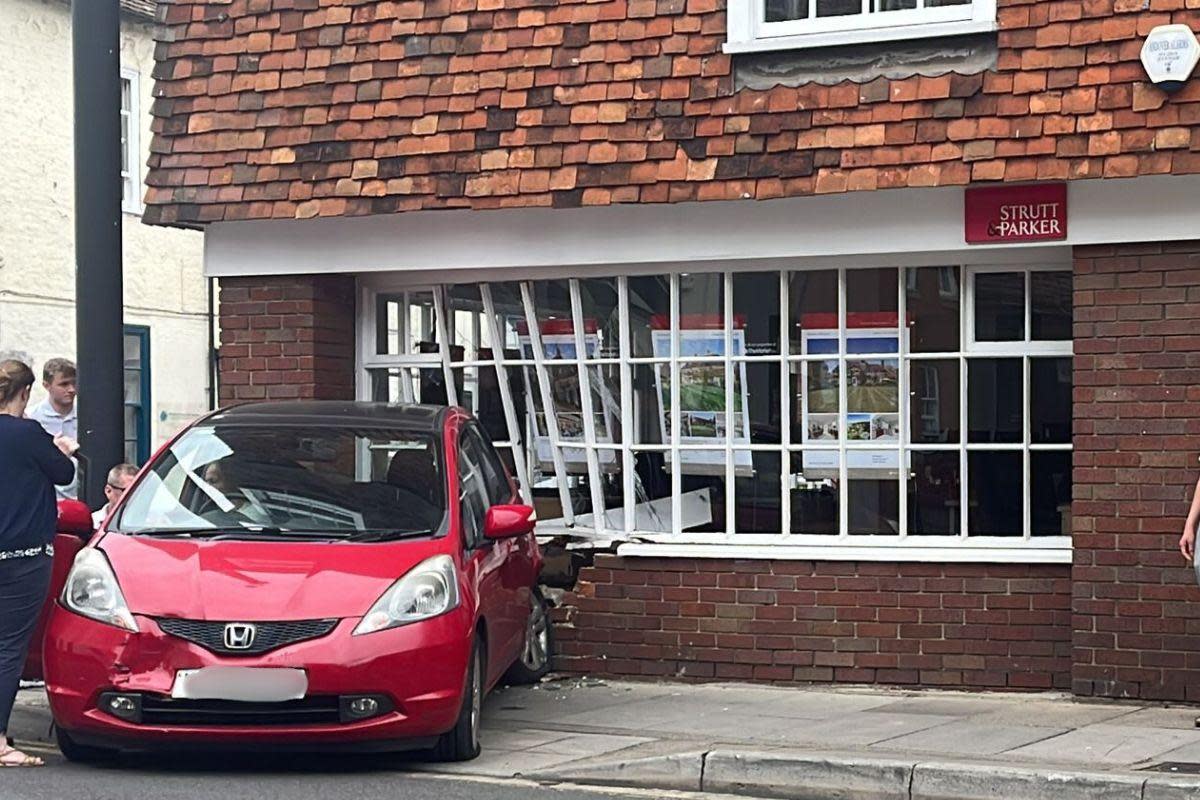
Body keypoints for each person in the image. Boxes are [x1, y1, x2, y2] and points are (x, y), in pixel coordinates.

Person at [0, 360, 77, 768]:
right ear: (26, 393)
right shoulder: (29, 434)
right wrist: (60, 447)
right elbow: (63, 474)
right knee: (8, 648)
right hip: (23, 554)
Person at [27, 358, 78, 500]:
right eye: (64, 384)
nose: (72, 389)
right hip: (46, 497)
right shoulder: (32, 419)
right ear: (46, 385)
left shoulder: (87, 416)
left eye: (74, 383)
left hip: (81, 496)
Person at [92, 463, 138, 529]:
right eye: (128, 492)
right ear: (108, 491)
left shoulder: (149, 525)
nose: (134, 497)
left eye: (138, 491)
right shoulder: (93, 524)